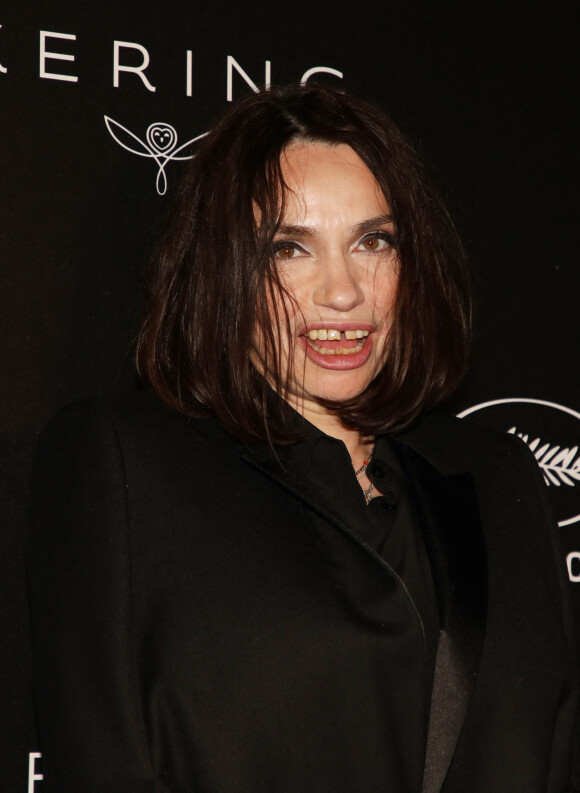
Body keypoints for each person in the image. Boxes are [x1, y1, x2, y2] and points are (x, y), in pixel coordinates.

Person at [28, 84, 578, 793]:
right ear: (225, 268)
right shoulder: (125, 467)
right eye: (290, 248)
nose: (342, 291)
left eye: (372, 241)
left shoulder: (499, 477)